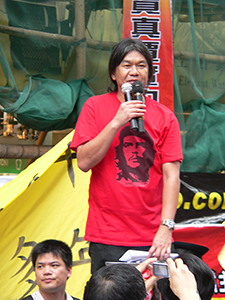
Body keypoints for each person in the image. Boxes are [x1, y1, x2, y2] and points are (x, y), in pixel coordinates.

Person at [70, 37, 183, 273]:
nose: (134, 71)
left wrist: (166, 227)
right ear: (114, 73)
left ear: (149, 74)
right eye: (126, 65)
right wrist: (117, 122)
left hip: (153, 235)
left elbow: (172, 176)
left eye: (141, 66)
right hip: (107, 233)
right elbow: (83, 162)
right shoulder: (94, 106)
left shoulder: (165, 117)